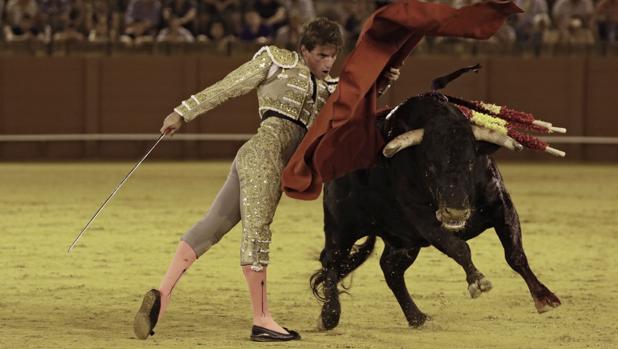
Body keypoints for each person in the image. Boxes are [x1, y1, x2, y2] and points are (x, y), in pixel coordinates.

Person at [133, 16, 401, 342]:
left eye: (332, 56)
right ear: (304, 50)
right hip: (264, 158)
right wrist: (183, 112)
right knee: (257, 236)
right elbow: (230, 86)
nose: (328, 63)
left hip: (257, 158)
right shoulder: (276, 61)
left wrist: (384, 80)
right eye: (320, 55)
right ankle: (262, 320)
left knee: (212, 226)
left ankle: (161, 296)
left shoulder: (332, 89)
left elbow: (356, 108)